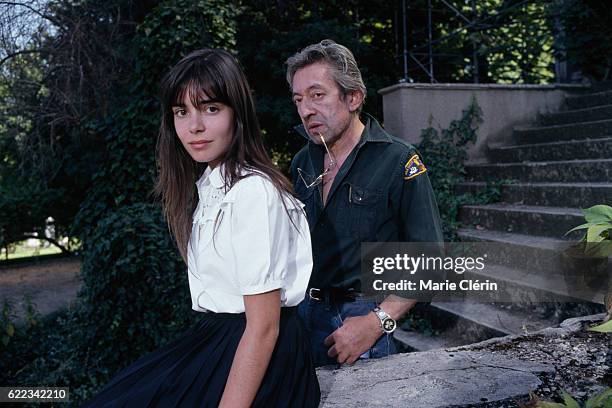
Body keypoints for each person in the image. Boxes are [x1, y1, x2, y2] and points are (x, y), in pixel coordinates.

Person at [83, 49, 320, 407]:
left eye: (210, 108)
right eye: (181, 112)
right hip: (217, 338)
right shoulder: (210, 187)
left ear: (236, 114)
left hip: (262, 350)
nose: (194, 126)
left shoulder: (252, 191)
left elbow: (264, 326)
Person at [286, 40, 443, 367]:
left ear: (353, 97)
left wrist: (377, 322)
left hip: (362, 321)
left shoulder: (399, 160)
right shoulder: (302, 162)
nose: (305, 110)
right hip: (302, 317)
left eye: (317, 95)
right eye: (298, 100)